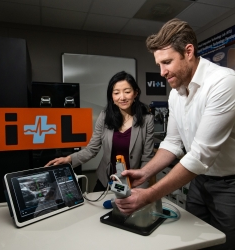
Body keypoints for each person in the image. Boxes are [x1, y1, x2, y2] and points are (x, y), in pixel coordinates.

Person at [115, 19, 235, 250]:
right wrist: (145, 172)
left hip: (229, 186)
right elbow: (172, 142)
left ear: (188, 51)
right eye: (159, 64)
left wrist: (148, 195)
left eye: (167, 62)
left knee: (224, 244)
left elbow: (199, 155)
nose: (162, 72)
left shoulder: (223, 83)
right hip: (199, 181)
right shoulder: (176, 93)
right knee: (193, 241)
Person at [46, 71, 154, 192]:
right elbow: (92, 149)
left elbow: (147, 158)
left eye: (127, 92)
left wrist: (140, 188)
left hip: (133, 182)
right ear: (112, 97)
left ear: (135, 93)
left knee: (127, 210)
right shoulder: (104, 116)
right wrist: (69, 159)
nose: (122, 97)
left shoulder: (147, 120)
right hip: (106, 179)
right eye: (116, 93)